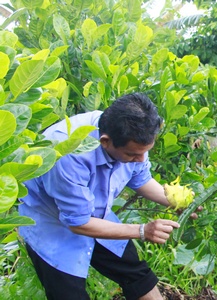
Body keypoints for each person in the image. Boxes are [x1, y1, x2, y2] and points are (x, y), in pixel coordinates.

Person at [19, 93, 195, 299]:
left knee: (136, 275)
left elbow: (140, 179)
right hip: (54, 226)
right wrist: (142, 230)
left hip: (98, 214)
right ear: (105, 142)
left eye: (144, 153)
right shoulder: (69, 153)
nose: (140, 160)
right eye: (132, 155)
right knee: (69, 295)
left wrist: (176, 202)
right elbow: (78, 223)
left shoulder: (132, 135)